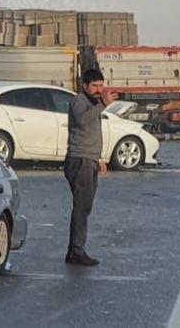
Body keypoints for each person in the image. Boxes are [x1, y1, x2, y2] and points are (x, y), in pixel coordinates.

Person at [64, 69, 118, 266]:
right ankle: (77, 252)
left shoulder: (94, 104)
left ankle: (75, 250)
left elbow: (93, 135)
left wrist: (99, 159)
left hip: (89, 160)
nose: (99, 90)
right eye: (95, 86)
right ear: (85, 85)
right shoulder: (79, 101)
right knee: (82, 208)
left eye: (101, 85)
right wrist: (103, 104)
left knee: (84, 207)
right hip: (79, 160)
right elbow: (83, 122)